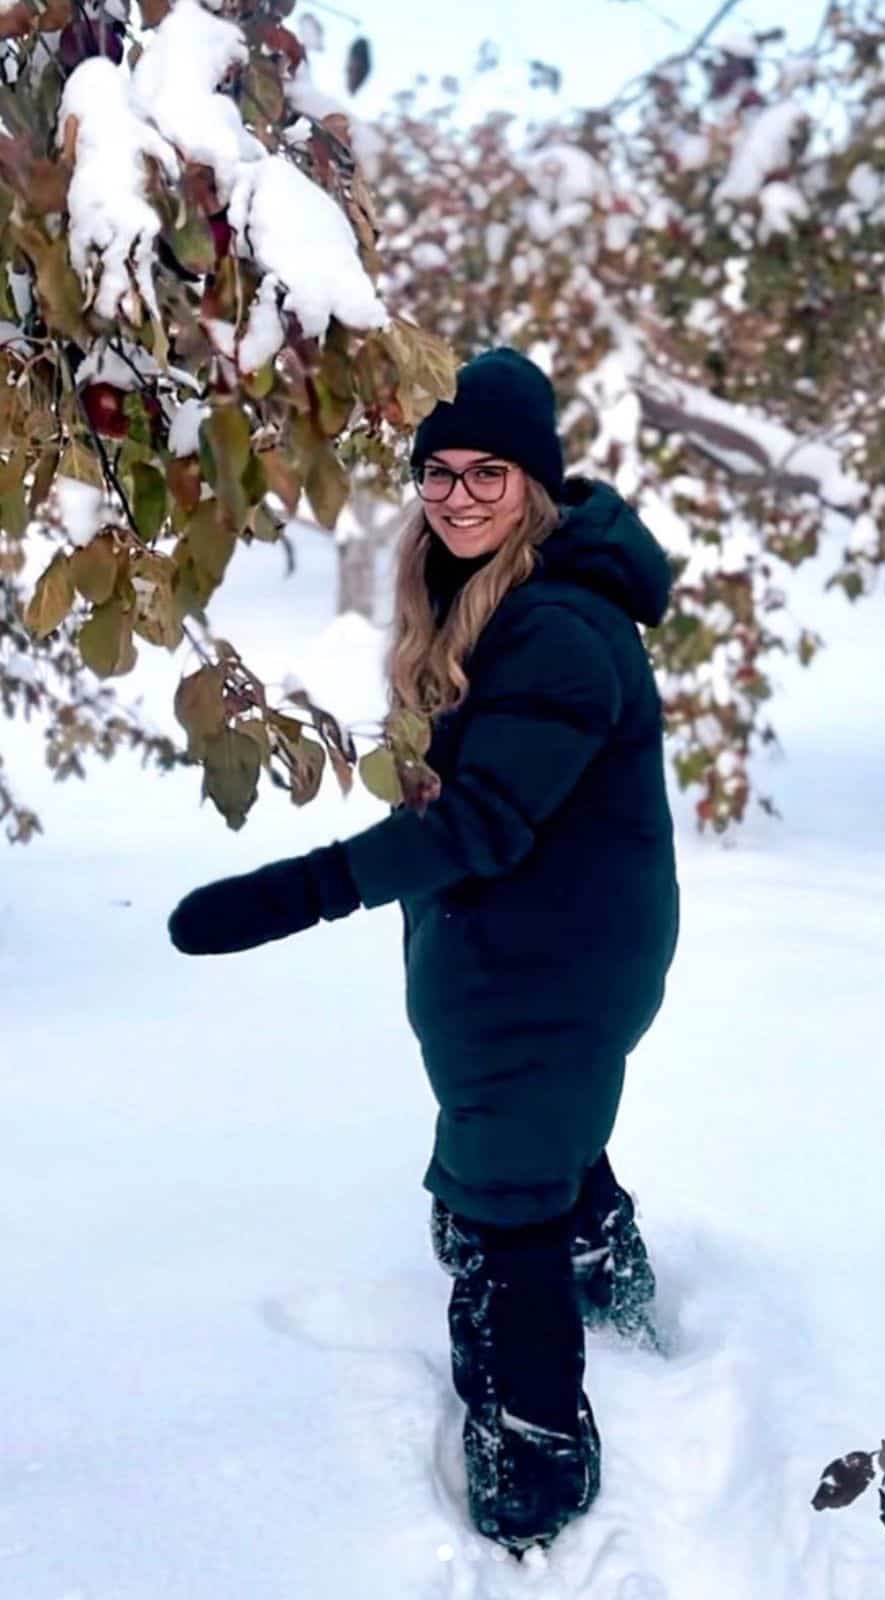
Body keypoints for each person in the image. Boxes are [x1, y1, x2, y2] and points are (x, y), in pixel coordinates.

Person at [168, 348, 680, 1553]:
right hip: (536, 936)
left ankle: (533, 1463)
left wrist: (300, 891)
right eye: (438, 472)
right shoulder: (493, 597)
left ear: (535, 481)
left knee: (505, 1192)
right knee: (538, 1126)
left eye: (487, 472)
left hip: (552, 951)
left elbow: (483, 820)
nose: (457, 496)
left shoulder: (555, 622)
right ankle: (608, 1265)